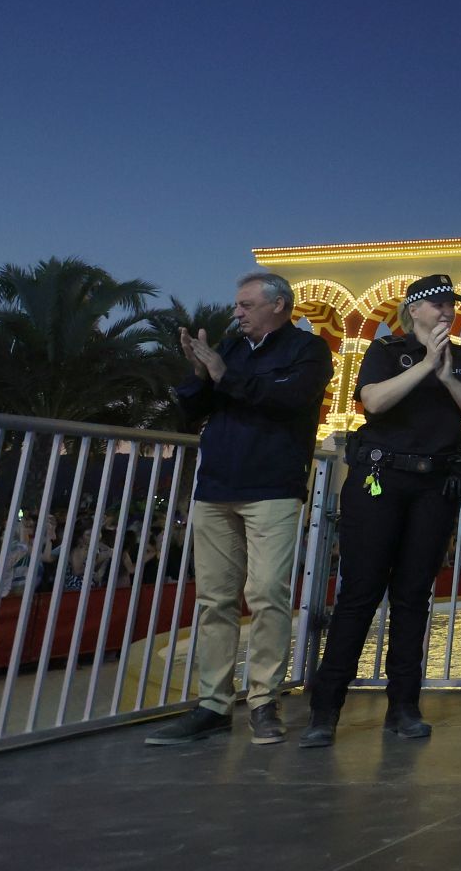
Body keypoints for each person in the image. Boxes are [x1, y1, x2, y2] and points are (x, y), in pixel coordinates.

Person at [301, 274, 461, 747]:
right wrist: (426, 364)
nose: (447, 311)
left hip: (434, 488)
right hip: (381, 480)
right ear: (414, 310)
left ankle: (404, 706)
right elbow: (373, 401)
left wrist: (446, 375)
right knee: (360, 592)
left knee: (413, 597)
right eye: (438, 303)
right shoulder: (387, 351)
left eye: (451, 304)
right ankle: (325, 709)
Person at [147, 272, 333, 746]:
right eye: (237, 305)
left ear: (279, 305)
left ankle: (263, 699)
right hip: (215, 487)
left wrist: (223, 373)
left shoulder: (308, 350)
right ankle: (213, 703)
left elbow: (287, 398)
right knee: (214, 599)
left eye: (246, 305)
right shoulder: (228, 349)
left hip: (272, 487)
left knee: (268, 592)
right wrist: (199, 372)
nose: (237, 313)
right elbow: (192, 410)